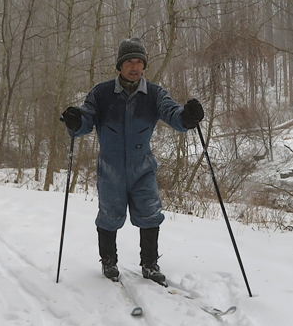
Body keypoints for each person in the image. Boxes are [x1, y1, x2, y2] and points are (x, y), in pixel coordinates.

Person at [60, 38, 204, 285]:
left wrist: (187, 118)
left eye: (139, 62)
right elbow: (87, 118)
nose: (135, 67)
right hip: (111, 167)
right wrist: (76, 121)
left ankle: (149, 264)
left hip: (142, 167)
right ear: (120, 65)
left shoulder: (155, 94)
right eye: (129, 62)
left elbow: (172, 113)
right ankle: (109, 261)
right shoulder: (102, 93)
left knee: (150, 213)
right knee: (109, 215)